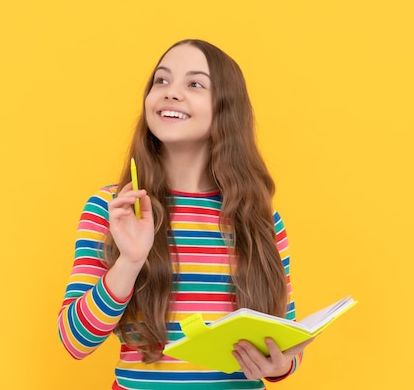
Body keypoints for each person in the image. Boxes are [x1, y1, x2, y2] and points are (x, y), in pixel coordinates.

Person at [57, 39, 313, 389]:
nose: (170, 93)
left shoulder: (261, 220)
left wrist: (280, 363)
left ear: (226, 109)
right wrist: (129, 262)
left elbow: (287, 341)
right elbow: (74, 341)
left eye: (194, 84)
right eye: (161, 81)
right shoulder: (114, 208)